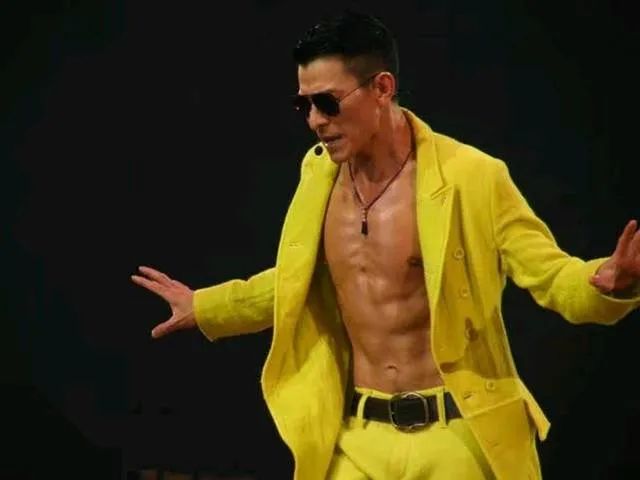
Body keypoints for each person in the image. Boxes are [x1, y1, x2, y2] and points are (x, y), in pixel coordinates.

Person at [131, 9, 640, 480]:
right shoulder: (317, 174)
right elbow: (297, 281)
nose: (314, 120)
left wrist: (607, 282)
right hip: (357, 439)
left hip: (457, 436)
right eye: (303, 104)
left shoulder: (473, 177)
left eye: (328, 102)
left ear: (382, 88)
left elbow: (550, 274)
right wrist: (206, 306)